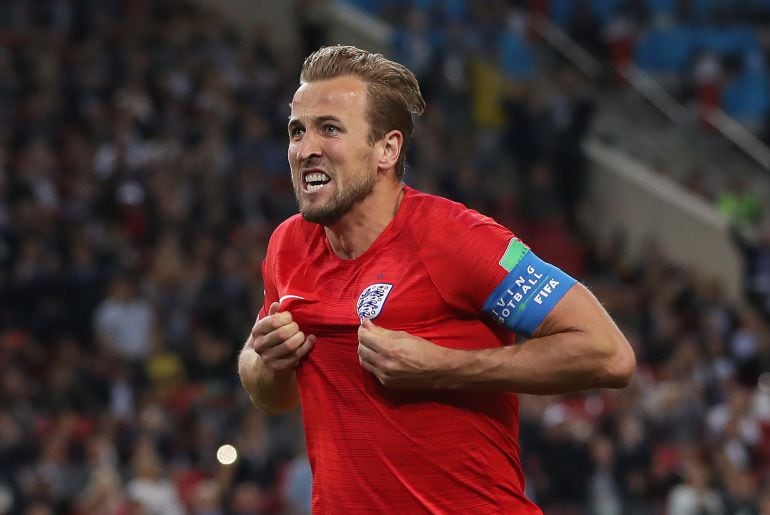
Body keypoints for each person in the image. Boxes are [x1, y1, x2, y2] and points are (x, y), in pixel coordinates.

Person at [238, 45, 636, 514]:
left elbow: (609, 355)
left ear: (387, 149)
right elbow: (273, 395)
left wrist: (442, 366)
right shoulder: (288, 246)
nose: (305, 150)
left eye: (329, 129)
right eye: (297, 131)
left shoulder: (454, 239)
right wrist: (268, 363)